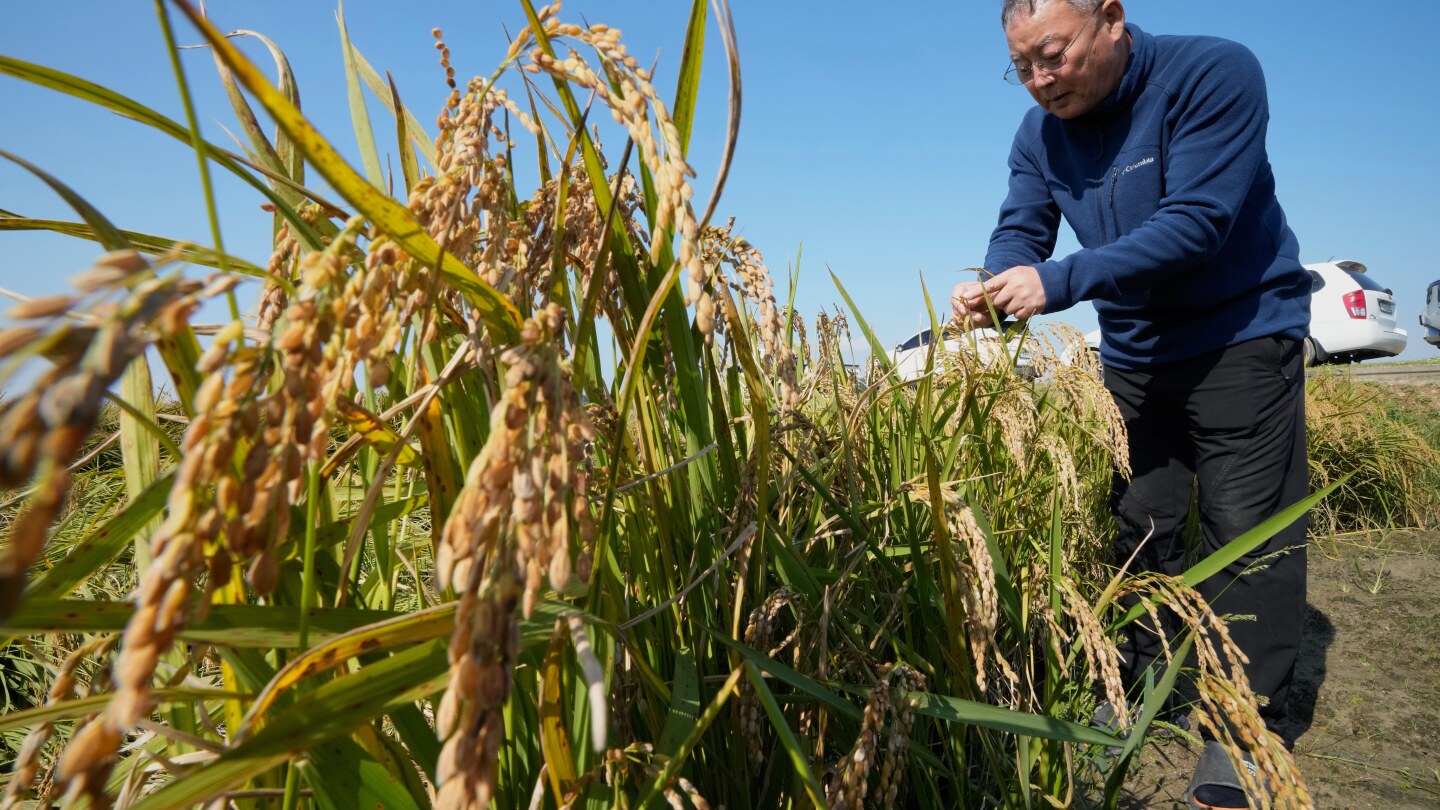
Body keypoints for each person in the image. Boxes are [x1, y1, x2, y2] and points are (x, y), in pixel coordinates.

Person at [951, 1, 1312, 806]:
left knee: (1246, 533)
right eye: (1022, 68)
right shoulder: (1037, 136)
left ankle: (1243, 735)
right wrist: (997, 279)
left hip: (1241, 336)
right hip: (1138, 359)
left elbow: (1198, 222)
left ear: (1110, 17)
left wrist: (1060, 281)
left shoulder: (1215, 72)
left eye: (1053, 54)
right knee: (1140, 524)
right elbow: (1022, 227)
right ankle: (1139, 686)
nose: (1040, 82)